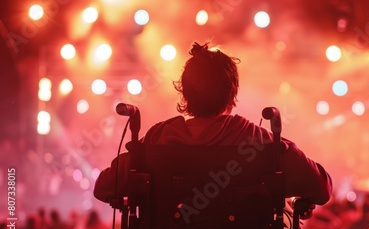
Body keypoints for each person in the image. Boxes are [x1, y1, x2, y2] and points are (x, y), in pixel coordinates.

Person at [94, 41, 332, 206]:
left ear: (185, 94)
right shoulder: (258, 140)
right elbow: (321, 188)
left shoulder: (157, 139)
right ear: (232, 92)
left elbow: (104, 186)